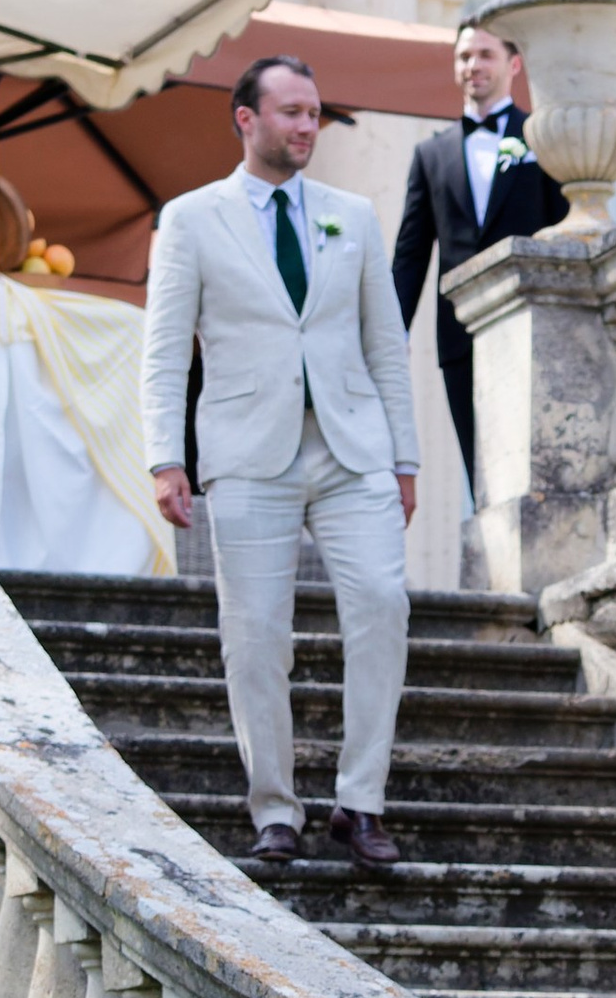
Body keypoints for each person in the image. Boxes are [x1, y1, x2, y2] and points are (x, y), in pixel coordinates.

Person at [143, 52, 418, 869]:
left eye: (314, 113)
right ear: (247, 119)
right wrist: (167, 456)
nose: (307, 127)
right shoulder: (191, 219)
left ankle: (360, 802)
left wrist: (404, 457)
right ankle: (275, 808)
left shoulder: (353, 215)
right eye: (292, 112)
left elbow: (386, 345)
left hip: (352, 448)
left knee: (382, 604)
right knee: (256, 635)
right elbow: (164, 351)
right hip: (246, 452)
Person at [389, 15, 570, 476]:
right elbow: (411, 254)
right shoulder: (430, 155)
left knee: (539, 461)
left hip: (533, 323)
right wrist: (392, 332)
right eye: (464, 56)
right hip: (459, 335)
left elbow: (565, 226)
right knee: (480, 469)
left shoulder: (542, 138)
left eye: (485, 54)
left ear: (514, 64)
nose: (473, 65)